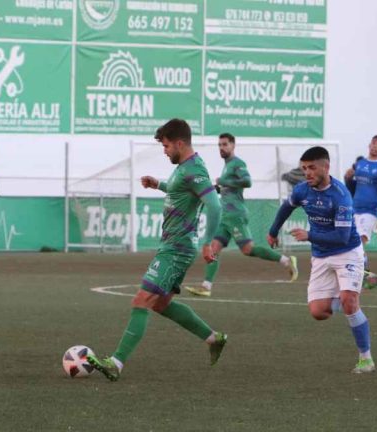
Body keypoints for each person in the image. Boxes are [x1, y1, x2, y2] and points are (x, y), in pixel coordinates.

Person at [86, 119, 227, 382]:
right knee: (161, 304)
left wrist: (208, 243)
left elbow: (215, 205)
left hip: (177, 249)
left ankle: (116, 363)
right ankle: (213, 338)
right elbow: (181, 190)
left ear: (180, 143)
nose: (164, 151)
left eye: (166, 146)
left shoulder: (194, 169)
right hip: (173, 246)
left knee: (141, 300)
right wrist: (158, 184)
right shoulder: (184, 168)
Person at [267, 146, 375, 374]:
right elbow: (286, 207)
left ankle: (366, 359)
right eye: (304, 168)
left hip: (347, 251)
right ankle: (362, 281)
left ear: (326, 167)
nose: (307, 173)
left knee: (349, 301)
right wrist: (273, 231)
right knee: (318, 311)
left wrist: (309, 236)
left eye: (312, 168)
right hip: (321, 255)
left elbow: (341, 237)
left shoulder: (341, 196)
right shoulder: (302, 190)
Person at [184, 133, 298, 297]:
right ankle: (206, 286)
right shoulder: (227, 166)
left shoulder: (237, 163)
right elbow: (227, 188)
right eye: (219, 145)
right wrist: (211, 189)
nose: (221, 148)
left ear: (233, 145)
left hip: (235, 214)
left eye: (225, 144)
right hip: (225, 216)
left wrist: (224, 182)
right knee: (213, 249)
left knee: (248, 249)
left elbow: (247, 181)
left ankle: (286, 260)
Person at [344, 135, 377, 288]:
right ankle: (364, 275)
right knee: (351, 245)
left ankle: (365, 275)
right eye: (374, 143)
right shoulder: (359, 164)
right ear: (369, 145)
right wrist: (347, 178)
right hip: (355, 209)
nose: (375, 146)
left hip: (370, 211)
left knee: (359, 243)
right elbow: (351, 187)